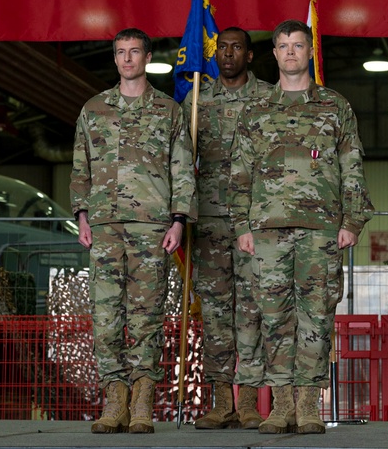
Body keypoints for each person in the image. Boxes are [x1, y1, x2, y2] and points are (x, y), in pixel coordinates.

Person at [229, 19, 374, 435]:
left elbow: (352, 167)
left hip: (322, 230)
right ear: (273, 54)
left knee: (316, 317)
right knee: (273, 317)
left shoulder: (335, 106)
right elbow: (238, 173)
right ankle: (281, 406)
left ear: (310, 51)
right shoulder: (255, 111)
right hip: (267, 231)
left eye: (298, 45)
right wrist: (241, 224)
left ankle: (309, 403)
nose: (290, 52)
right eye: (283, 46)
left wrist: (353, 221)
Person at [70, 27, 197, 434]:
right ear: (114, 59)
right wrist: (83, 216)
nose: (127, 59)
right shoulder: (94, 110)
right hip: (104, 226)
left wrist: (179, 220)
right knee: (106, 316)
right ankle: (114, 399)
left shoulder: (168, 110)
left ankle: (142, 400)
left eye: (134, 52)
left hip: (151, 226)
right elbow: (80, 168)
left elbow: (182, 168)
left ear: (146, 57)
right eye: (121, 52)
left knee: (146, 315)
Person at [182, 27, 274, 429]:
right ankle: (222, 401)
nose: (229, 54)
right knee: (217, 313)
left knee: (253, 310)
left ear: (250, 56)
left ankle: (250, 400)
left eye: (238, 47)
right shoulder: (197, 99)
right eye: (223, 47)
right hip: (210, 222)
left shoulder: (269, 99)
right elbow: (181, 159)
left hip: (254, 222)